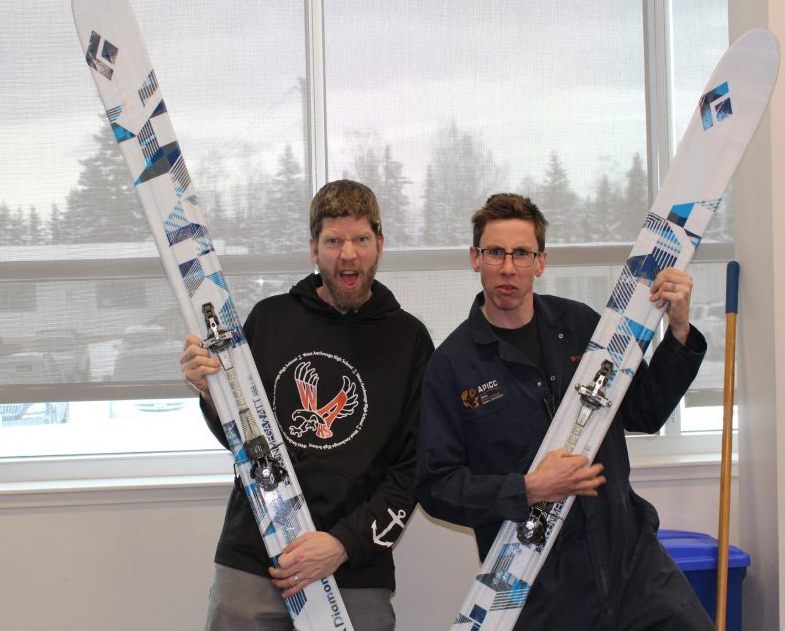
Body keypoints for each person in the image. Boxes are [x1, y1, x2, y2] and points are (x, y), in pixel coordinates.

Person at [416, 193, 714, 630]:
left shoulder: (582, 327)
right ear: (475, 258)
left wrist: (680, 328)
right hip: (539, 580)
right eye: (495, 252)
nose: (508, 267)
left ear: (540, 262)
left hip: (630, 558)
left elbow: (646, 412)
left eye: (522, 253)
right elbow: (437, 486)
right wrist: (529, 488)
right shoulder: (452, 366)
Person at [181, 179, 434, 631]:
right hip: (256, 552)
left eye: (360, 239)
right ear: (313, 250)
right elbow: (242, 439)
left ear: (380, 244)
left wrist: (341, 545)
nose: (348, 254)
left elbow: (412, 469)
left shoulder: (410, 340)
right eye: (333, 241)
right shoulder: (270, 318)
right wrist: (209, 391)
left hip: (356, 565)